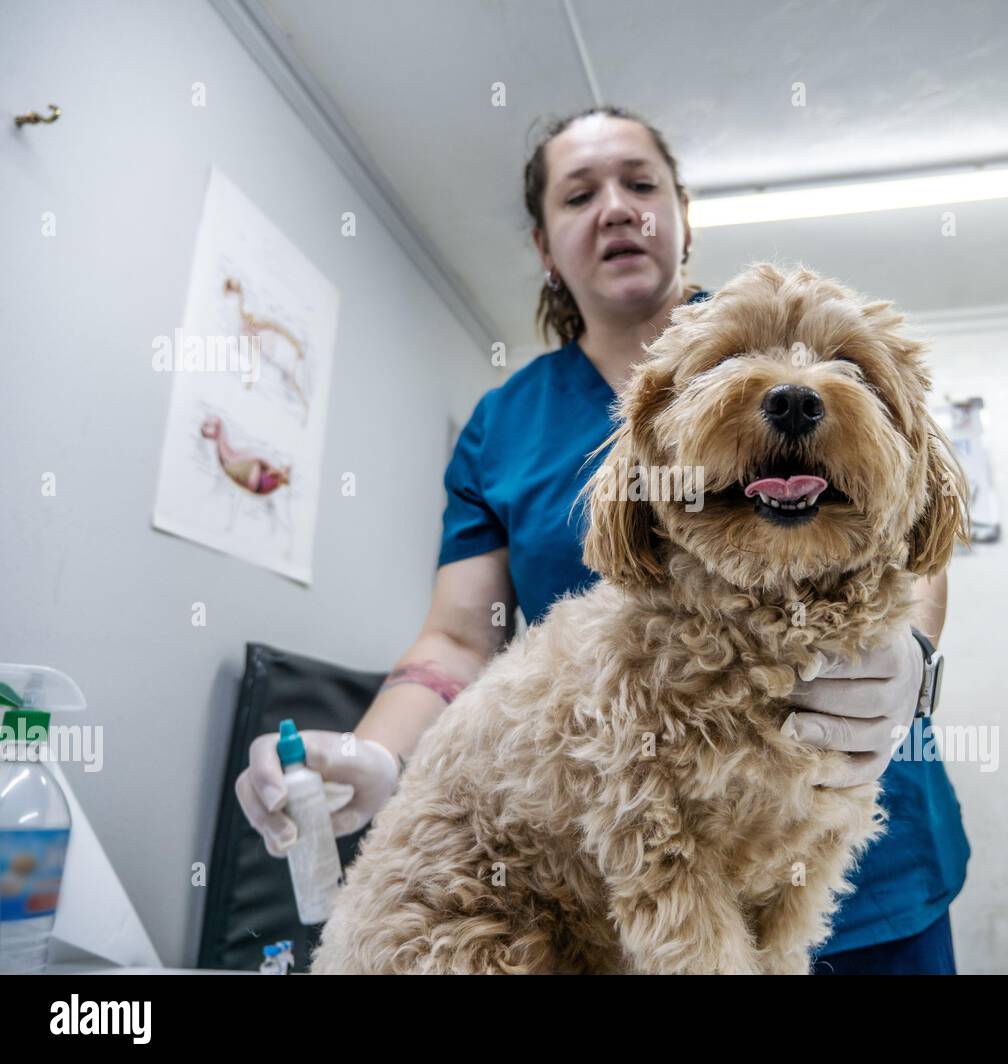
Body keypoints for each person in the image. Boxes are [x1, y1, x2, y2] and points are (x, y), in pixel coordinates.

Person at [235, 105, 970, 974]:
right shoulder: (503, 425)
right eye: (580, 194)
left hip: (870, 863)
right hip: (604, 891)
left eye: (641, 183)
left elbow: (912, 528)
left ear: (683, 217)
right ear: (547, 247)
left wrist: (909, 659)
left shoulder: (800, 327)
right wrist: (375, 754)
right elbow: (458, 637)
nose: (617, 207)